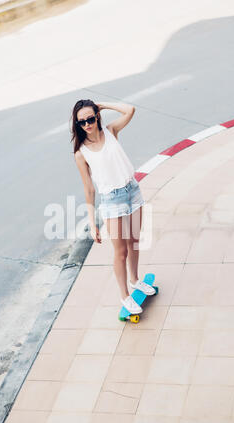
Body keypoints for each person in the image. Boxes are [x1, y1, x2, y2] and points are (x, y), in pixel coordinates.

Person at [71, 99, 155, 315]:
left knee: (135, 241)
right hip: (112, 200)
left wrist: (102, 104)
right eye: (82, 122)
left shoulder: (111, 131)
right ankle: (124, 296)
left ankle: (135, 280)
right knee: (121, 252)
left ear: (97, 116)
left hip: (132, 190)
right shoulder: (81, 153)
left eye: (90, 118)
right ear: (77, 124)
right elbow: (88, 188)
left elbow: (131, 109)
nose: (87, 124)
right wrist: (92, 222)